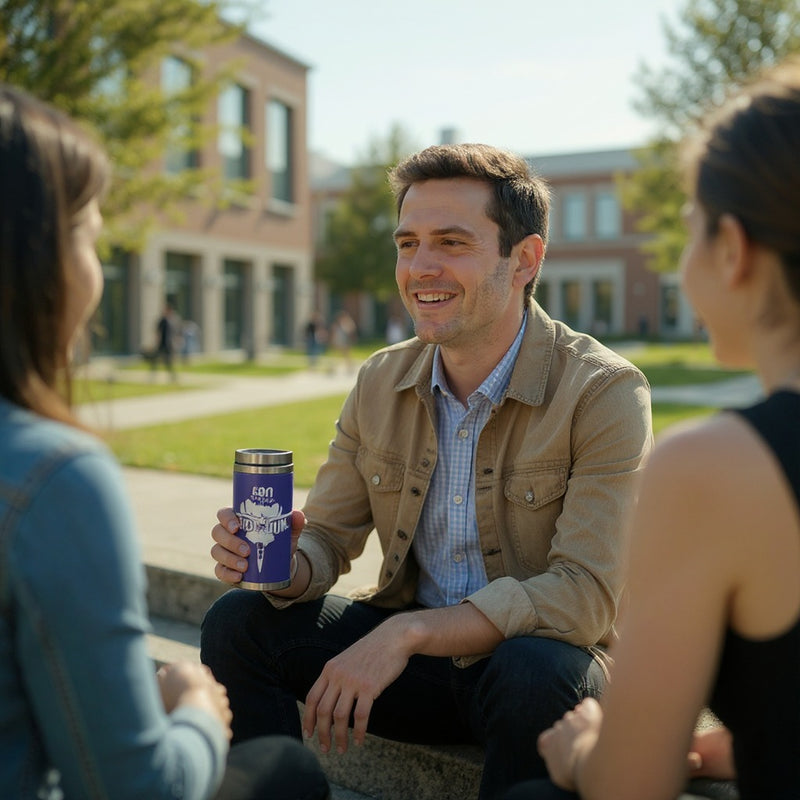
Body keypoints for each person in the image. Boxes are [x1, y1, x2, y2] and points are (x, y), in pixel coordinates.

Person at [201, 143, 653, 799]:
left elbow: (583, 596)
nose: (420, 268)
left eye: (450, 242)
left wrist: (408, 632)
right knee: (236, 621)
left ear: (524, 260)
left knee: (537, 667)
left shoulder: (603, 391)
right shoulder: (381, 379)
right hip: (414, 669)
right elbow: (326, 537)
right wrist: (277, 564)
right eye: (408, 243)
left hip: (536, 676)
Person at [0, 84, 329, 800]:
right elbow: (135, 788)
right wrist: (197, 712)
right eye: (90, 234)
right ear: (37, 260)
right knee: (289, 771)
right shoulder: (54, 477)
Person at [505, 60, 800, 800]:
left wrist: (583, 754)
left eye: (691, 234)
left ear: (732, 249)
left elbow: (630, 784)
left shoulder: (715, 468)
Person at [152, 300, 180, 381]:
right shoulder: (162, 321)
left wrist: (176, 340)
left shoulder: (172, 321)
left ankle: (173, 378)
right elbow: (158, 332)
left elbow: (175, 332)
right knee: (156, 361)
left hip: (169, 344)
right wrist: (156, 342)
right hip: (161, 344)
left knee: (169, 362)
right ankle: (153, 377)